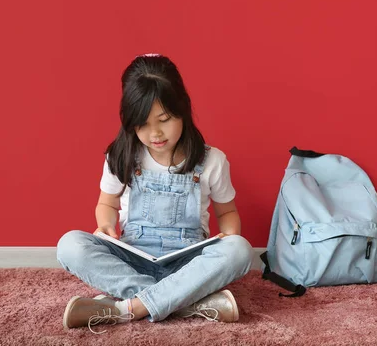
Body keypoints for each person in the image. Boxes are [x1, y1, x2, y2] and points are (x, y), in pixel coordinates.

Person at [57, 54, 253, 334]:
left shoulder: (212, 161)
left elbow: (228, 212)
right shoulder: (120, 155)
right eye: (143, 125)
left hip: (187, 264)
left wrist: (228, 234)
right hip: (132, 260)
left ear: (183, 110)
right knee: (70, 245)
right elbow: (106, 203)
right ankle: (183, 302)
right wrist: (106, 224)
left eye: (164, 119)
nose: (155, 133)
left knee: (240, 250)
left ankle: (127, 308)